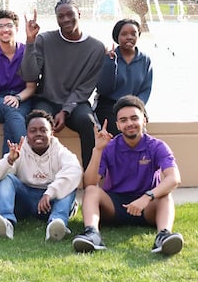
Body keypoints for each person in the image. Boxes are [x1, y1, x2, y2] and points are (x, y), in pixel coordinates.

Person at [72, 95, 184, 255]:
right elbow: (90, 182)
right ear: (117, 125)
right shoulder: (109, 147)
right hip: (114, 206)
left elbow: (174, 179)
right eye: (123, 120)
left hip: (146, 207)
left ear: (144, 120)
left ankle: (163, 236)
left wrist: (146, 198)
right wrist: (98, 150)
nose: (129, 123)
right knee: (91, 191)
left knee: (165, 195)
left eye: (134, 118)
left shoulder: (157, 146)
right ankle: (92, 235)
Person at [20, 0, 105, 169]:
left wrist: (66, 111)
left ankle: (90, 178)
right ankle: (37, 175)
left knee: (89, 124)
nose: (65, 19)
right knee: (38, 125)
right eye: (61, 16)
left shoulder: (96, 48)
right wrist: (30, 41)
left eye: (70, 14)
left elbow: (86, 88)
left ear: (79, 14)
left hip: (77, 102)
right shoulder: (44, 39)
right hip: (47, 99)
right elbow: (30, 75)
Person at [0, 109, 82, 241]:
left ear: (52, 133)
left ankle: (56, 224)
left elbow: (75, 171)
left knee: (69, 183)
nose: (38, 134)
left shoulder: (61, 152)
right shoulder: (19, 151)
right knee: (6, 178)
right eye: (33, 131)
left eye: (43, 130)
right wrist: (9, 160)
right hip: (25, 201)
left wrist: (50, 193)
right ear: (27, 134)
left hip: (51, 202)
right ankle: (6, 221)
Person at [0, 9, 36, 154]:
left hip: (23, 99)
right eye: (0, 26)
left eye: (9, 25)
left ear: (16, 28)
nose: (5, 30)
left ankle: (7, 165)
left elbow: (31, 87)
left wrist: (17, 97)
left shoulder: (25, 51)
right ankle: (30, 154)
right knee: (12, 112)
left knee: (13, 119)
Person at [94, 18, 152, 136]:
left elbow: (146, 89)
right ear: (117, 37)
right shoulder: (108, 57)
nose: (129, 37)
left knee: (141, 136)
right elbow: (103, 89)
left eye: (133, 33)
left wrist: (137, 106)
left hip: (134, 105)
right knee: (120, 133)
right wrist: (110, 64)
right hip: (109, 106)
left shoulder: (145, 60)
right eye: (124, 34)